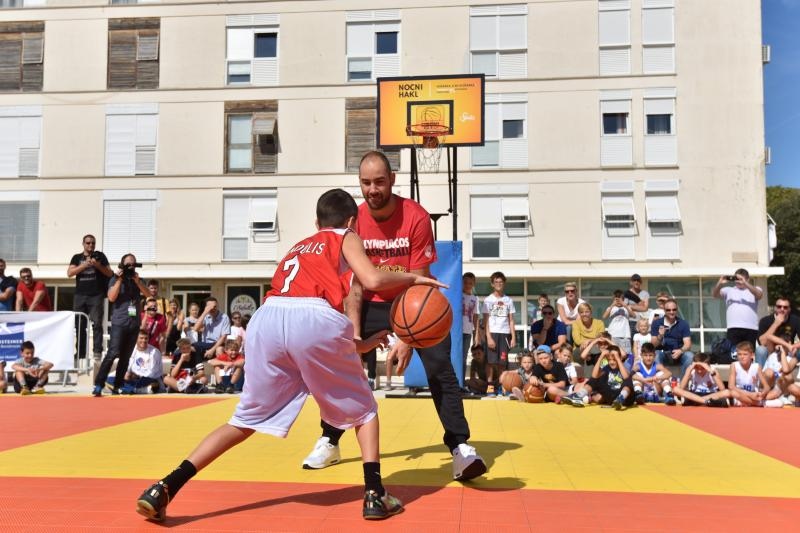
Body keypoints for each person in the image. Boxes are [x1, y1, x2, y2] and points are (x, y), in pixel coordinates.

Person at [136, 188, 443, 523]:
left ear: (316, 221)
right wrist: (414, 277)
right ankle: (374, 493)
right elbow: (366, 282)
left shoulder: (299, 246)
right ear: (352, 221)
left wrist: (364, 345)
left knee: (243, 421)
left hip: (267, 320)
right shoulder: (345, 235)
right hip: (309, 317)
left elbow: (301, 324)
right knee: (365, 411)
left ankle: (166, 485)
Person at [302, 152, 486, 482]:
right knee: (343, 360)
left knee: (440, 365)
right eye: (366, 182)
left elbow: (417, 279)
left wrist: (406, 338)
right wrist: (354, 336)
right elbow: (355, 285)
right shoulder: (352, 220)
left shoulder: (414, 216)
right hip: (368, 300)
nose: (372, 189)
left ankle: (460, 449)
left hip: (412, 301)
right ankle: (330, 439)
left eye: (379, 181)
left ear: (393, 179)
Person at [92, 254, 149, 397]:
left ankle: (117, 386)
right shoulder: (115, 278)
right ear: (122, 265)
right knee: (113, 353)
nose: (130, 266)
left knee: (125, 357)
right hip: (119, 322)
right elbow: (111, 297)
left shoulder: (138, 280)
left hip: (133, 323)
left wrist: (137, 281)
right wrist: (119, 280)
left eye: (133, 264)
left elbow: (149, 295)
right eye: (128, 264)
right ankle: (99, 384)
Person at [68, 234, 113, 364]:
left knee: (97, 324)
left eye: (93, 243)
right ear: (83, 244)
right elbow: (70, 273)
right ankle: (80, 353)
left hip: (96, 295)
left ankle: (97, 352)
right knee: (79, 325)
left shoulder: (100, 256)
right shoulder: (77, 257)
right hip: (80, 295)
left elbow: (110, 273)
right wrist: (85, 265)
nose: (90, 245)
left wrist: (98, 265)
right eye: (88, 243)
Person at [563, 345, 634, 410]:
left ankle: (620, 398)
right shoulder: (607, 368)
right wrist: (601, 357)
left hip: (626, 399)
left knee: (628, 382)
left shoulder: (623, 367)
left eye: (614, 360)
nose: (612, 362)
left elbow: (626, 377)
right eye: (609, 360)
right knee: (594, 379)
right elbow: (594, 376)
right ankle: (579, 395)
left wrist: (618, 359)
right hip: (612, 396)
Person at [482, 271, 516, 396]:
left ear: (504, 283)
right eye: (496, 282)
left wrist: (513, 337)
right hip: (493, 333)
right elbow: (485, 321)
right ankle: (490, 388)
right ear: (492, 284)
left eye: (501, 282)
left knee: (502, 363)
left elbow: (511, 320)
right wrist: (489, 337)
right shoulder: (488, 300)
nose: (499, 284)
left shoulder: (508, 300)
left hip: (505, 333)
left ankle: (503, 387)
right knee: (490, 363)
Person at [712, 269, 763, 350]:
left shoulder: (755, 289)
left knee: (749, 353)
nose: (738, 281)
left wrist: (745, 283)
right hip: (733, 328)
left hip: (750, 328)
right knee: (733, 354)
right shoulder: (729, 290)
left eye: (741, 279)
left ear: (747, 279)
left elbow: (759, 295)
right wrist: (719, 282)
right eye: (737, 279)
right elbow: (714, 295)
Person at [650, 298, 694, 378]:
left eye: (674, 309)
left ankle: (682, 383)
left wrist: (680, 351)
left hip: (679, 353)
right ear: (664, 310)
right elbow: (653, 345)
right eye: (668, 310)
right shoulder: (657, 323)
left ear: (677, 310)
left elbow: (688, 344)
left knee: (690, 355)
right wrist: (660, 336)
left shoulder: (683, 323)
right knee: (656, 354)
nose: (671, 312)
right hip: (663, 353)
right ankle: (661, 382)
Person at [756, 297, 799, 367]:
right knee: (761, 350)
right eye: (779, 307)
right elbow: (762, 342)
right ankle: (761, 376)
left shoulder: (795, 320)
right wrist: (776, 324)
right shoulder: (765, 320)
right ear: (775, 308)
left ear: (789, 309)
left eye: (785, 307)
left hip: (787, 350)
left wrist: (792, 346)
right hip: (770, 350)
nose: (782, 309)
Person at [119, 330, 164, 395]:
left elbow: (152, 373)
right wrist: (128, 374)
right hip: (134, 379)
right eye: (141, 338)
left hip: (149, 380)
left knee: (154, 384)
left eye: (146, 338)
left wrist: (138, 375)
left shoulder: (155, 352)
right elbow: (127, 368)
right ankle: (136, 389)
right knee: (110, 378)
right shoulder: (131, 350)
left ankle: (129, 389)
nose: (144, 341)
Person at [727, 341, 768, 407]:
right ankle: (755, 403)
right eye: (739, 354)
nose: (742, 357)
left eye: (745, 354)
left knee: (778, 401)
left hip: (754, 394)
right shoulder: (734, 365)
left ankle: (746, 402)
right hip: (740, 394)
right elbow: (731, 386)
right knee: (731, 393)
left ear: (752, 355)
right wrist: (749, 394)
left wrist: (762, 394)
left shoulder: (757, 366)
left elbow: (766, 387)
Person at [461, 272, 480, 383]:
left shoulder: (475, 299)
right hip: (456, 332)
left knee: (463, 358)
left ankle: (461, 383)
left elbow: (475, 318)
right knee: (454, 357)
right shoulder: (458, 295)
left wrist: (476, 335)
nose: (467, 285)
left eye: (470, 283)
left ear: (474, 284)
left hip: (467, 332)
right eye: (465, 282)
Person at [603, 289, 632, 354]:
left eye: (620, 299)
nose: (618, 301)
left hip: (625, 335)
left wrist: (625, 305)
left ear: (623, 299)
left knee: (626, 353)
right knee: (613, 353)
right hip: (613, 335)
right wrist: (612, 305)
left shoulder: (626, 308)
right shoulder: (610, 308)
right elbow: (604, 316)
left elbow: (633, 315)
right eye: (616, 299)